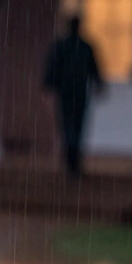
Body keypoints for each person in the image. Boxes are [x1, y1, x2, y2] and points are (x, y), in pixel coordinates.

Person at [42, 16, 103, 178]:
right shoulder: (84, 47)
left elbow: (53, 67)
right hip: (78, 92)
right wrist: (99, 85)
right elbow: (94, 68)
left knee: (67, 125)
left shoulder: (63, 46)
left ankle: (71, 161)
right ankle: (73, 161)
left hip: (66, 92)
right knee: (77, 126)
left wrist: (49, 87)